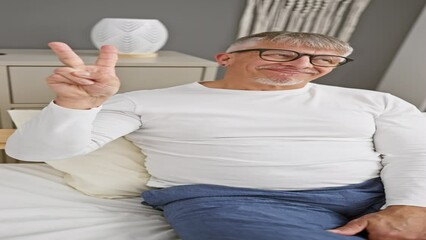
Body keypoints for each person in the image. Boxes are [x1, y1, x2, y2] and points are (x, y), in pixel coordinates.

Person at [5, 31, 426, 240]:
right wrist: (75, 105)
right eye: (280, 52)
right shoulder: (148, 101)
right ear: (226, 58)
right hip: (230, 200)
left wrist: (410, 207)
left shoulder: (376, 101)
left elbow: (414, 153)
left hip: (374, 191)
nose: (302, 64)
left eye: (323, 59)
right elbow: (32, 150)